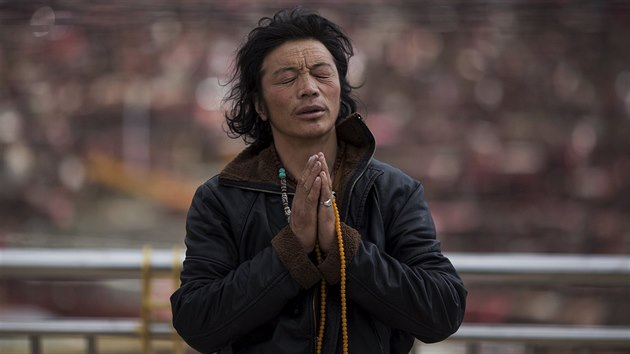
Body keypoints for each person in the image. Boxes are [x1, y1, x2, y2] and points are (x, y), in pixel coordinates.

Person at [170, 7, 467, 354]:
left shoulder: (391, 191)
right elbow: (196, 322)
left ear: (340, 88)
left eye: (322, 74)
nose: (309, 88)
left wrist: (343, 250)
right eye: (286, 78)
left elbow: (443, 310)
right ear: (259, 105)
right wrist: (290, 252)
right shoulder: (221, 198)